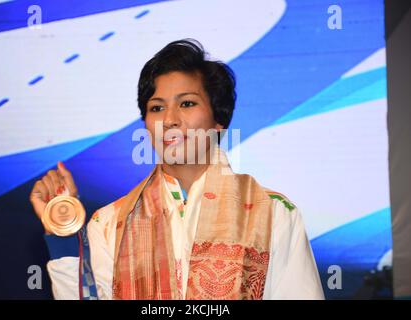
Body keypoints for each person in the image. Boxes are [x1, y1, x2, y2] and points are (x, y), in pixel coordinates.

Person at [30, 39, 324, 300]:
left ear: (218, 119)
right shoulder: (109, 223)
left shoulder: (273, 213)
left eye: (186, 103)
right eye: (156, 108)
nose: (170, 119)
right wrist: (62, 229)